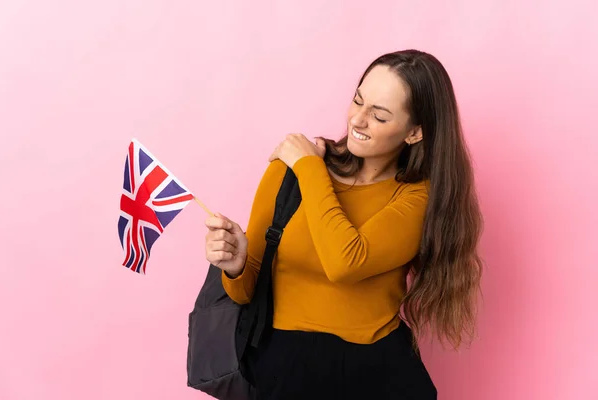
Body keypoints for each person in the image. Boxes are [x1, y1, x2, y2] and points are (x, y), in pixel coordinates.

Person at [204, 49, 483, 400]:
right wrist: (236, 265)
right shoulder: (287, 172)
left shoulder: (417, 197)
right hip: (286, 368)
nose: (358, 120)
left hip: (376, 371)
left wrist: (309, 168)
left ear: (414, 133)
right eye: (358, 100)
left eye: (380, 116)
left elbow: (346, 262)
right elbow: (246, 292)